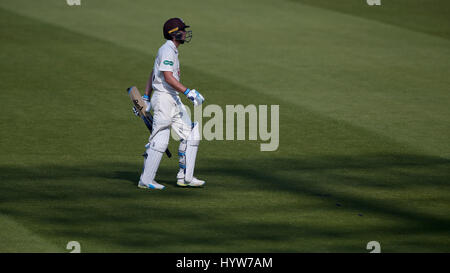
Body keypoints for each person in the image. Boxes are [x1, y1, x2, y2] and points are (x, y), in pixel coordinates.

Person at [137, 18, 205, 190]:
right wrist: (188, 92)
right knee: (160, 139)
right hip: (164, 98)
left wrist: (145, 97)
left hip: (172, 98)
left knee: (191, 133)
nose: (185, 33)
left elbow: (153, 71)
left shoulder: (171, 50)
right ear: (175, 33)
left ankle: (185, 177)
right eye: (182, 30)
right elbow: (167, 77)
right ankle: (146, 180)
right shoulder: (167, 50)